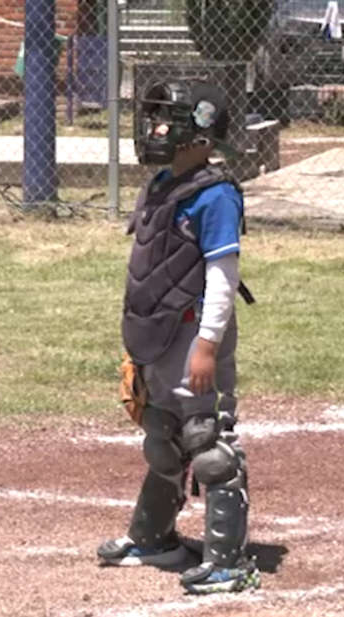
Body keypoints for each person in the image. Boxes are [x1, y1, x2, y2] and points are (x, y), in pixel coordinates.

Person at [97, 79, 258, 595]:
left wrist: (208, 343)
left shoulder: (214, 197)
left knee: (208, 444)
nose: (157, 129)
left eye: (171, 120)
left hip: (194, 339)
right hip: (158, 338)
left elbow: (222, 276)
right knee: (162, 438)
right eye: (155, 119)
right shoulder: (161, 185)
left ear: (203, 132)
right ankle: (154, 538)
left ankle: (229, 563)